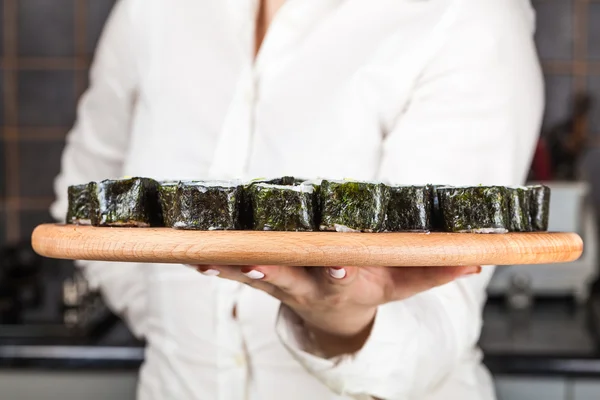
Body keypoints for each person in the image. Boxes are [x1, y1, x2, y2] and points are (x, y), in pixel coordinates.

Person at [51, 0, 543, 399]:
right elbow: (84, 196)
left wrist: (342, 320)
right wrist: (171, 319)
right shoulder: (150, 9)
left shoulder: (471, 15)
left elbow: (438, 325)